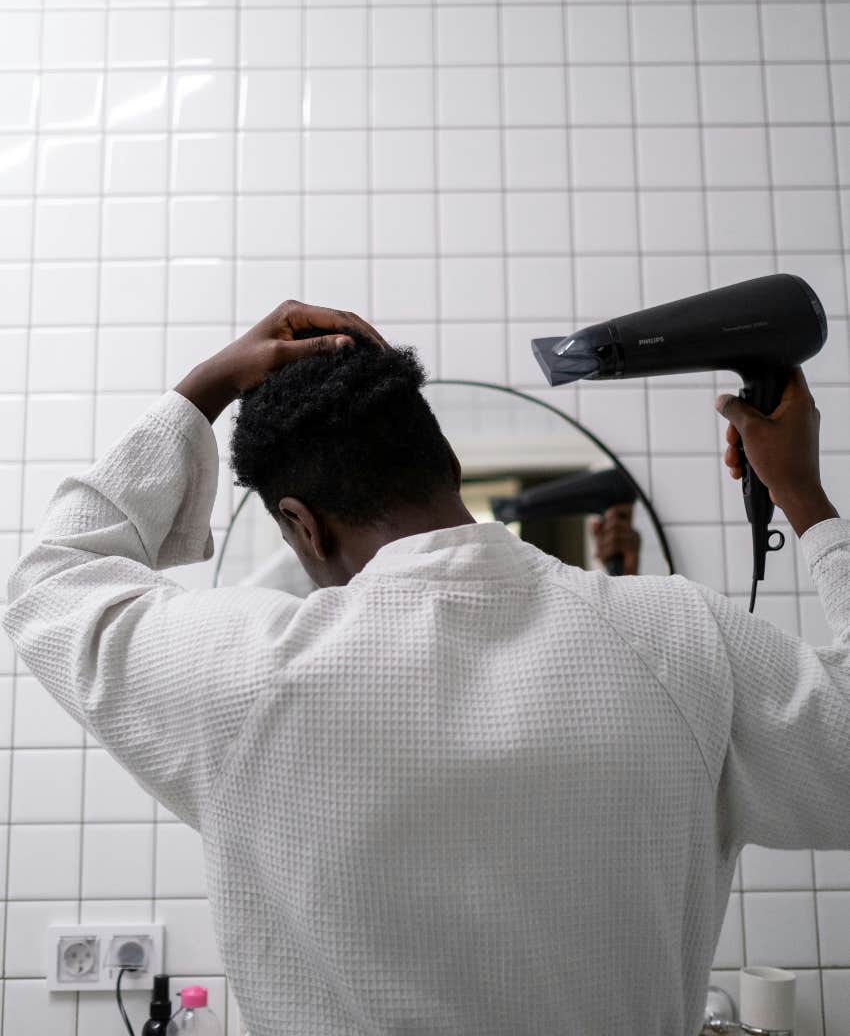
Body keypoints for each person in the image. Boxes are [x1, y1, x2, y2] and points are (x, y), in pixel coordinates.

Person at [3, 299, 847, 1036]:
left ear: (303, 526)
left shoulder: (245, 676)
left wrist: (207, 386)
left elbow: (50, 581)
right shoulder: (681, 638)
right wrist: (804, 498)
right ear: (446, 464)